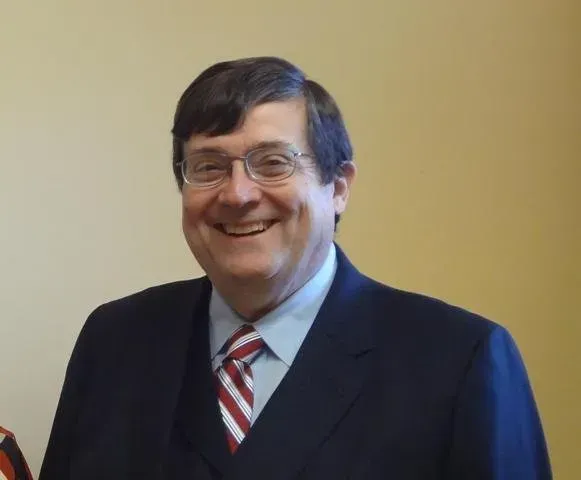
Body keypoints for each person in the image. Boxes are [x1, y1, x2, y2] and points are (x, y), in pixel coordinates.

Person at [39, 56, 551, 479]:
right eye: (209, 167)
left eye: (273, 162)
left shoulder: (460, 361)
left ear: (339, 186)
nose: (238, 194)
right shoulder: (114, 342)